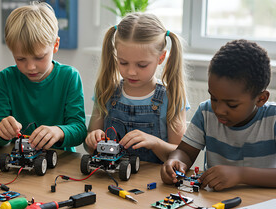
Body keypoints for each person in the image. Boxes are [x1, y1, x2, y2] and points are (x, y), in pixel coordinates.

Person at [161, 39, 276, 191]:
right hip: (215, 204)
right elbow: (185, 152)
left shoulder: (273, 119)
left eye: (232, 104)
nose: (219, 110)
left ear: (261, 99)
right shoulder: (205, 112)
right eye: (214, 98)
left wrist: (241, 175)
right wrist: (175, 161)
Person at [85, 13, 188, 164]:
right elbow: (89, 147)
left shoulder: (171, 98)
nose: (131, 72)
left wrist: (154, 142)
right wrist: (92, 138)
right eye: (123, 62)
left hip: (154, 183)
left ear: (161, 58)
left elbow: (182, 155)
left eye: (142, 65)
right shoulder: (106, 91)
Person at [0, 2, 87, 152]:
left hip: (60, 163)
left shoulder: (69, 77)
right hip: (22, 161)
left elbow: (79, 130)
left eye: (39, 57)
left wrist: (59, 132)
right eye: (21, 59)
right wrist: (1, 130)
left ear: (55, 45)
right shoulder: (7, 78)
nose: (30, 67)